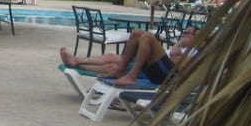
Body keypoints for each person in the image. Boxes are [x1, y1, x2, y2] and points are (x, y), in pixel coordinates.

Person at [59, 27, 199, 85]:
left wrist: (181, 45)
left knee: (147, 37)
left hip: (168, 75)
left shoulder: (196, 51)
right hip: (154, 65)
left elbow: (176, 60)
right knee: (137, 33)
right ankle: (75, 61)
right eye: (184, 32)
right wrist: (180, 44)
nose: (185, 35)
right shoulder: (181, 46)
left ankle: (131, 75)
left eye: (189, 34)